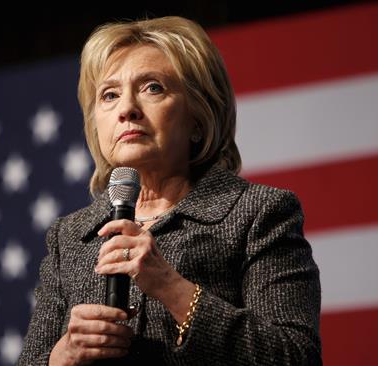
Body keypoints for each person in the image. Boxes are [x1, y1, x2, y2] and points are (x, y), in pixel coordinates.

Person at [18, 16, 321, 365]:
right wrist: (64, 354)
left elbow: (296, 357)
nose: (127, 110)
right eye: (110, 95)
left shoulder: (259, 214)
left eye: (153, 88)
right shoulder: (69, 237)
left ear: (198, 116)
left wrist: (172, 288)